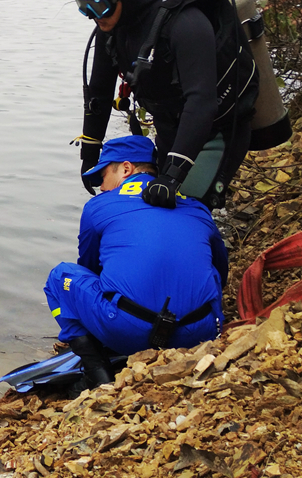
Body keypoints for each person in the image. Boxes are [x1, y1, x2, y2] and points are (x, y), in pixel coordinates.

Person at [75, 0, 259, 210]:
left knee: (186, 206)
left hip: (216, 130)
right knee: (152, 204)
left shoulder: (186, 23)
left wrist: (172, 176)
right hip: (170, 128)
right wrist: (90, 153)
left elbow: (202, 102)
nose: (94, 16)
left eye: (100, 6)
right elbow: (99, 95)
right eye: (84, 6)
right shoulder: (110, 30)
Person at [44, 135, 228, 388]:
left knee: (60, 278)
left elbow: (88, 268)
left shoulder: (99, 205)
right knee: (210, 270)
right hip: (199, 333)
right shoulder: (196, 206)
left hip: (126, 331)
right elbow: (222, 271)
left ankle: (96, 372)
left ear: (126, 168)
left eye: (103, 177)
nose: (102, 187)